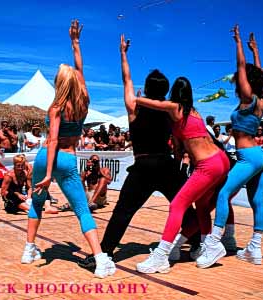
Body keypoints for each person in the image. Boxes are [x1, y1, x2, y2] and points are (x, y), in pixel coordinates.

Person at [78, 35, 200, 269]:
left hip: (143, 166)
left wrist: (123, 53)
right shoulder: (170, 110)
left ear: (146, 88)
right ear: (164, 92)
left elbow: (126, 79)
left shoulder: (135, 107)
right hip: (166, 165)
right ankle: (197, 243)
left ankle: (104, 253)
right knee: (183, 207)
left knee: (123, 211)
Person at [21, 20, 116, 279]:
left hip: (46, 158)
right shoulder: (84, 101)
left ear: (58, 83)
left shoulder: (56, 108)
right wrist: (76, 42)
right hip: (67, 158)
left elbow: (51, 141)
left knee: (37, 203)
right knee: (82, 210)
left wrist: (48, 173)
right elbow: (81, 69)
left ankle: (29, 249)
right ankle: (100, 259)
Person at [134, 75, 230, 274]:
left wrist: (137, 97)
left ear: (174, 93)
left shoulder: (174, 107)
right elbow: (182, 147)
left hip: (208, 164)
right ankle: (206, 246)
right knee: (202, 207)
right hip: (221, 159)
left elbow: (148, 102)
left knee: (177, 205)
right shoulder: (194, 113)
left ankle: (161, 256)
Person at [197, 27, 263, 268]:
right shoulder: (261, 99)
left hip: (248, 156)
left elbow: (241, 68)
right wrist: (256, 51)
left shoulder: (248, 98)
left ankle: (214, 244)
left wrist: (239, 43)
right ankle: (255, 249)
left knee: (223, 194)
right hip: (259, 156)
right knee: (257, 203)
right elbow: (255, 74)